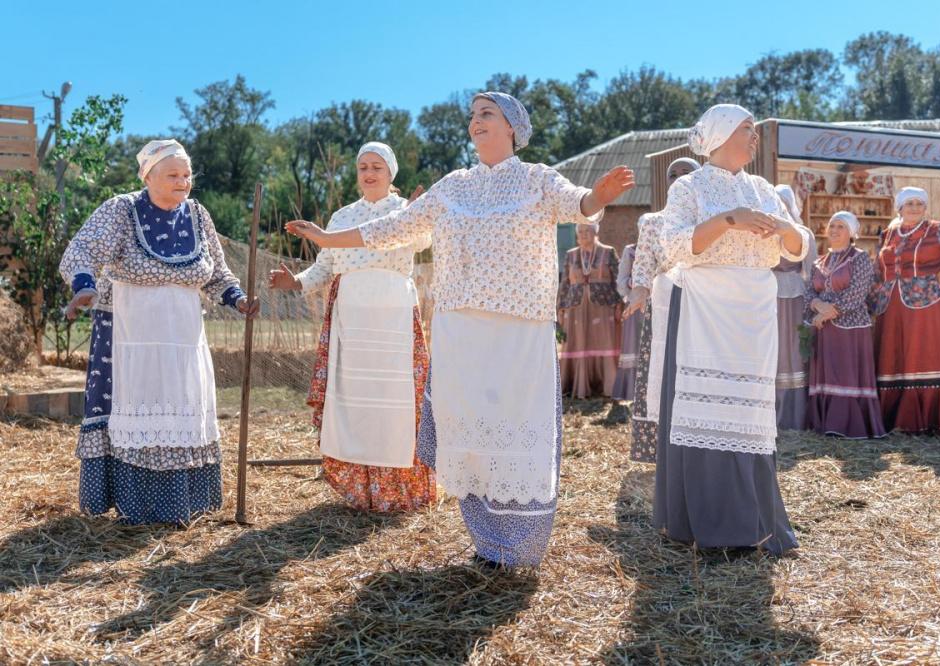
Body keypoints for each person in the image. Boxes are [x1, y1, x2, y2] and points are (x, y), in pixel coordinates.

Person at [284, 92, 634, 567]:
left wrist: (601, 196)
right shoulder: (452, 186)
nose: (476, 123)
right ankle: (487, 544)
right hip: (459, 327)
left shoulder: (536, 179)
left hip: (519, 328)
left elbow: (578, 202)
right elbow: (394, 226)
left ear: (512, 126)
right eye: (472, 117)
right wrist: (326, 239)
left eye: (486, 114)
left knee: (514, 429)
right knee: (470, 433)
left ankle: (520, 545)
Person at [59, 139, 258, 525]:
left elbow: (217, 274)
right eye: (172, 175)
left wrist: (239, 299)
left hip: (183, 335)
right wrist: (84, 285)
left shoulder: (198, 215)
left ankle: (183, 504)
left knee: (179, 408)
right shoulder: (122, 210)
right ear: (147, 176)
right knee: (138, 408)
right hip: (129, 332)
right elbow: (82, 251)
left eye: (187, 175)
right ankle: (137, 506)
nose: (183, 182)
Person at [648, 104, 807, 555]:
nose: (754, 137)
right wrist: (729, 218)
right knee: (705, 411)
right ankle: (707, 522)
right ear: (718, 136)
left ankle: (754, 520)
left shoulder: (761, 188)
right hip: (705, 305)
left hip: (753, 312)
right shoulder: (689, 185)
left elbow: (797, 247)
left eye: (755, 130)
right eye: (746, 130)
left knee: (747, 413)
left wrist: (781, 226)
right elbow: (676, 243)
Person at [268, 142, 434, 512]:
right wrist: (294, 282)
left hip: (392, 318)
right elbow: (325, 268)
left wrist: (420, 213)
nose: (369, 172)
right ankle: (360, 490)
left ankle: (400, 491)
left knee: (395, 403)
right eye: (362, 167)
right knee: (354, 402)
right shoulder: (342, 216)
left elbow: (423, 240)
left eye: (377, 166)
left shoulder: (404, 209)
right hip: (351, 319)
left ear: (392, 173)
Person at [873, 187, 940, 434]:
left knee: (923, 356)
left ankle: (930, 419)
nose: (914, 207)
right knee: (894, 357)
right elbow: (879, 271)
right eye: (908, 203)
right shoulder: (888, 234)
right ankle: (895, 419)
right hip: (891, 307)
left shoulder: (937, 230)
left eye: (919, 203)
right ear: (899, 208)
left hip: (927, 305)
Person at [624, 157, 699, 462]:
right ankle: (665, 449)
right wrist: (638, 295)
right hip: (665, 306)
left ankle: (699, 443)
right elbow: (642, 266)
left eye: (687, 172)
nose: (679, 177)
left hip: (703, 306)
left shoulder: (709, 218)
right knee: (663, 371)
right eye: (673, 174)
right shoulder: (654, 222)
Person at [805, 212, 886, 439]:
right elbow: (809, 290)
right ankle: (826, 422)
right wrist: (817, 304)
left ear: (851, 232)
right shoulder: (819, 262)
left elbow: (857, 292)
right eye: (832, 225)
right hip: (826, 330)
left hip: (851, 329)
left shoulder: (859, 258)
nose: (834, 230)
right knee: (829, 372)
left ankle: (850, 424)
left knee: (846, 372)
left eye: (841, 226)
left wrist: (828, 312)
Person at [558, 221, 622, 399]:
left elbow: (618, 280)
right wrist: (561, 308)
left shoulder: (608, 252)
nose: (584, 234)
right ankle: (577, 386)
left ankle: (608, 385)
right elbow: (565, 283)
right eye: (581, 231)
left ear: (595, 233)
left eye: (588, 231)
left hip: (603, 305)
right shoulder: (571, 255)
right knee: (578, 341)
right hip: (576, 305)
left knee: (604, 341)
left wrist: (619, 304)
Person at [773, 185, 817, 430]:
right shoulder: (762, 233)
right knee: (773, 351)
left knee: (794, 350)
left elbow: (812, 272)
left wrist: (813, 305)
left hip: (796, 296)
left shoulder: (803, 233)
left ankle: (796, 413)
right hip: (766, 295)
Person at [611, 240, 640, 400]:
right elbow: (621, 281)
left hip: (660, 306)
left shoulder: (664, 247)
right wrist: (633, 282)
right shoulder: (630, 251)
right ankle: (631, 391)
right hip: (635, 305)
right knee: (633, 346)